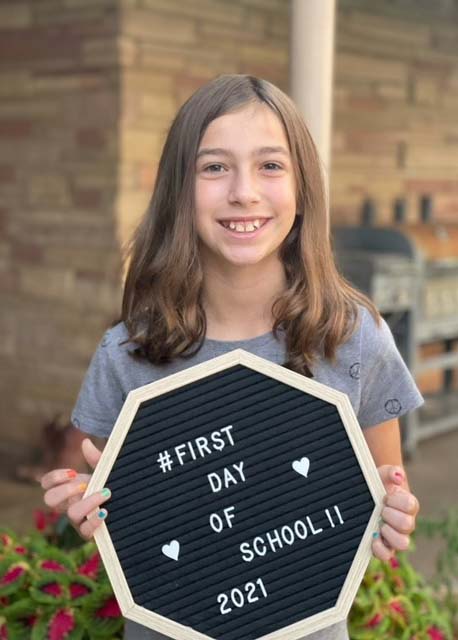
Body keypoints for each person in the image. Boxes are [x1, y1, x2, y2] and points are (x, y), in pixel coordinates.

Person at [41, 74, 422, 640]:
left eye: (271, 165)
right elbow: (84, 496)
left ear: (303, 187)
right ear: (179, 188)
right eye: (214, 167)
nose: (244, 191)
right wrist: (75, 506)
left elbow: (382, 493)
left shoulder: (352, 338)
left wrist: (392, 521)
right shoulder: (128, 352)